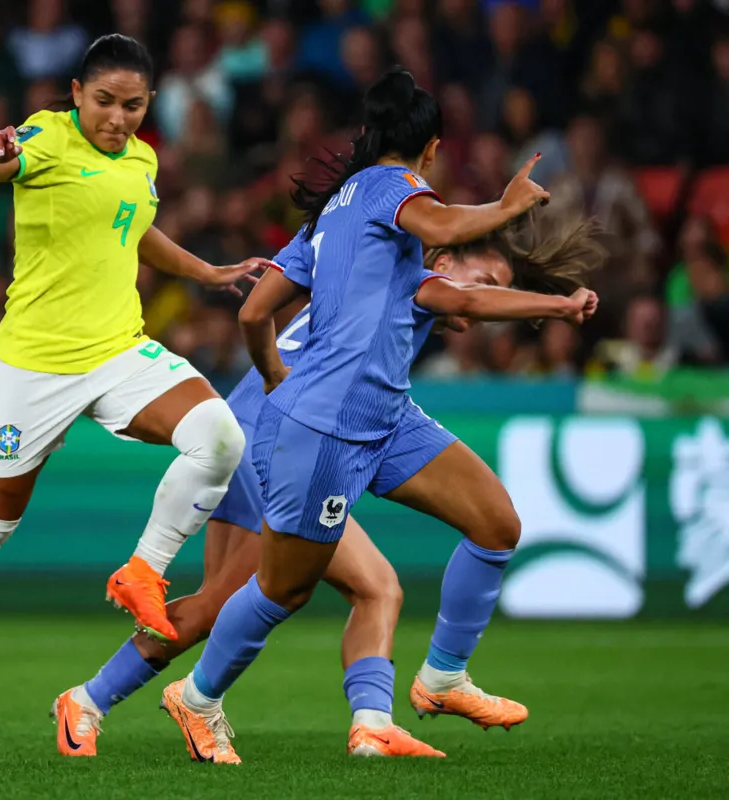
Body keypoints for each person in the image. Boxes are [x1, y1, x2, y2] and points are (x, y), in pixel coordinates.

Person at [158, 68, 602, 764]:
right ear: (429, 148)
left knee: (495, 523)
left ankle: (443, 677)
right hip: (330, 425)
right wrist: (510, 205)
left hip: (386, 415)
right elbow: (450, 224)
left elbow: (253, 311)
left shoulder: (346, 213)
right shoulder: (394, 192)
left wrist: (559, 305)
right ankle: (198, 695)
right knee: (280, 588)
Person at [51, 207, 605, 758]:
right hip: (282, 437)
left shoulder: (369, 278)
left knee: (338, 591)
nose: (486, 300)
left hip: (260, 424)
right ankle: (96, 699)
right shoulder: (407, 276)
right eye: (485, 279)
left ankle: (368, 725)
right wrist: (557, 303)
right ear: (440, 256)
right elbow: (460, 301)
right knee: (305, 594)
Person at [0, 34, 271, 709]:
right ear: (76, 95)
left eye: (134, 106)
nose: (119, 119)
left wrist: (206, 270)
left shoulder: (142, 159)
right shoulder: (44, 138)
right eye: (105, 103)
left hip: (117, 349)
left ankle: (142, 570)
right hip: (32, 365)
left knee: (220, 437)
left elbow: (132, 227)